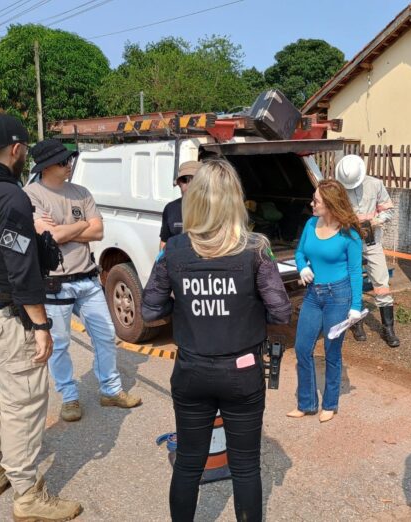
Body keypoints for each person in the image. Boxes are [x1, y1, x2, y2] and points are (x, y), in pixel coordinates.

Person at [142, 160, 291, 522]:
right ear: (235, 201)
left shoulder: (175, 249)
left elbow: (149, 310)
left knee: (189, 464)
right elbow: (281, 311)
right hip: (242, 371)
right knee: (245, 467)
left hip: (192, 370)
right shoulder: (256, 249)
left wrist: (186, 302)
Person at [0, 114, 81, 520]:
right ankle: (26, 495)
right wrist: (40, 324)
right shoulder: (10, 196)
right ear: (18, 149)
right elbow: (20, 266)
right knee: (22, 401)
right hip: (6, 313)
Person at [24, 139, 142, 423]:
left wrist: (69, 229)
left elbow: (98, 231)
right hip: (55, 283)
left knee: (104, 335)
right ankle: (69, 397)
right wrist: (81, 226)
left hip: (88, 279)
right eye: (64, 161)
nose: (69, 165)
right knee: (60, 344)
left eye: (69, 160)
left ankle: (110, 390)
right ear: (48, 165)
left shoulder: (81, 192)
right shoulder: (31, 195)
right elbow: (49, 237)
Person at [288, 179, 363, 423]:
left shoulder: (349, 234)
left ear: (330, 204)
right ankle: (306, 403)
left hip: (338, 297)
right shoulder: (311, 224)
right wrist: (301, 268)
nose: (311, 204)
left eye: (316, 201)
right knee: (302, 347)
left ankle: (330, 404)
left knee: (332, 351)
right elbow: (300, 253)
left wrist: (355, 306)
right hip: (312, 295)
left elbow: (355, 271)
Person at [335, 154, 400, 347]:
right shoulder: (337, 190)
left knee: (381, 282)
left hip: (372, 242)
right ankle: (357, 323)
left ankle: (388, 328)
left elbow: (389, 209)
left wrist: (373, 221)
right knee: (349, 281)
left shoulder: (375, 184)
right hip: (346, 241)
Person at [159, 160, 201, 250]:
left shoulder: (214, 208)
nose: (190, 185)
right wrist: (160, 262)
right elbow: (164, 241)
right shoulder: (170, 208)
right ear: (179, 183)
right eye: (185, 180)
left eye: (195, 179)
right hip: (177, 263)